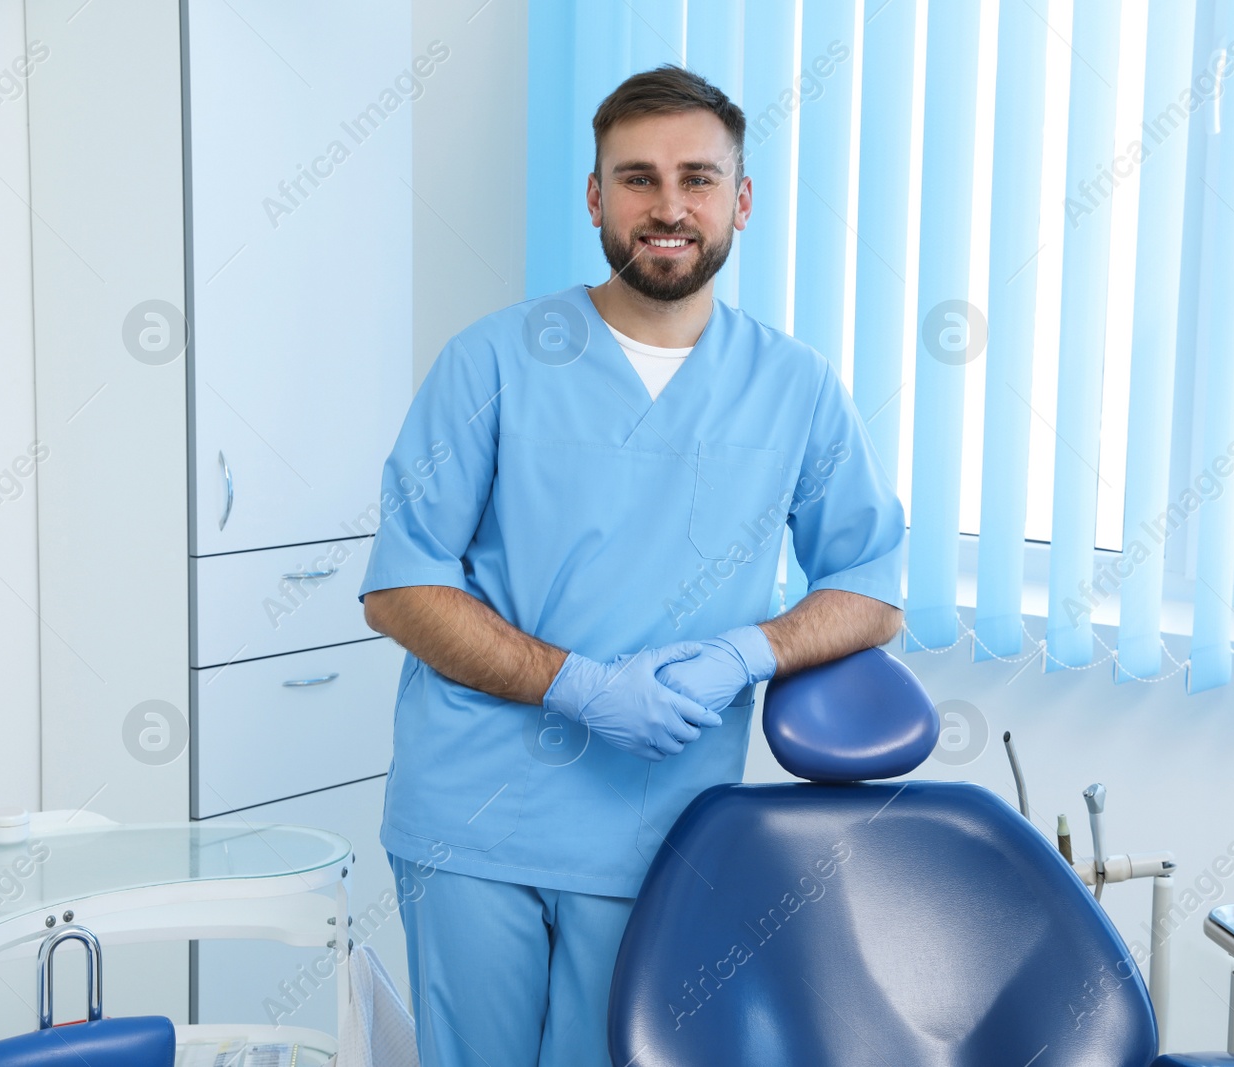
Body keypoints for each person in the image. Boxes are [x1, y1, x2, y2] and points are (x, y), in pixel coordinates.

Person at [357, 64, 906, 1067]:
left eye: (697, 178)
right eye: (637, 177)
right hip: (473, 815)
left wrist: (748, 649)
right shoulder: (489, 362)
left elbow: (870, 585)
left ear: (739, 200)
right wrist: (575, 683)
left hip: (661, 826)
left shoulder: (794, 386)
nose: (668, 206)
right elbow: (401, 585)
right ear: (595, 195)